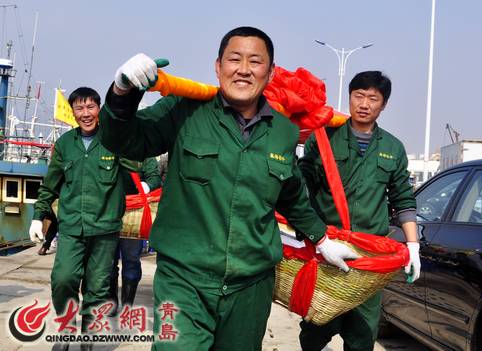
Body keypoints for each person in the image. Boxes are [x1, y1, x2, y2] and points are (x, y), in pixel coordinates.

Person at [98, 26, 358, 351]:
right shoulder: (185, 109)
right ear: (218, 66)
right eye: (234, 59)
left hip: (251, 287)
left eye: (255, 61)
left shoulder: (282, 131)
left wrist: (322, 240)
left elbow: (291, 195)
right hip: (185, 279)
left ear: (270, 72)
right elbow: (125, 140)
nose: (244, 69)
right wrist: (123, 93)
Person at [298, 71, 421, 351]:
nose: (364, 104)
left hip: (369, 259)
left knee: (363, 334)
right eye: (359, 96)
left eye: (373, 98)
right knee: (315, 331)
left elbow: (402, 198)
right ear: (350, 97)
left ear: (384, 104)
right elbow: (302, 185)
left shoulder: (392, 148)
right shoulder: (325, 137)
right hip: (327, 249)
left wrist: (413, 246)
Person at [29, 87, 125, 351]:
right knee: (63, 280)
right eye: (79, 109)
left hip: (105, 229)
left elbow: (140, 165)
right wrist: (38, 216)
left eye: (91, 107)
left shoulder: (114, 141)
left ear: (99, 108)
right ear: (73, 112)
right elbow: (50, 186)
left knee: (97, 288)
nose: (86, 114)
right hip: (71, 227)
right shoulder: (64, 145)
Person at [110, 157, 161, 309]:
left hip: (134, 213)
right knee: (107, 262)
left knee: (131, 260)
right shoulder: (106, 146)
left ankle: (127, 305)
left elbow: (154, 177)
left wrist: (145, 186)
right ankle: (111, 302)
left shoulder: (143, 152)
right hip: (107, 211)